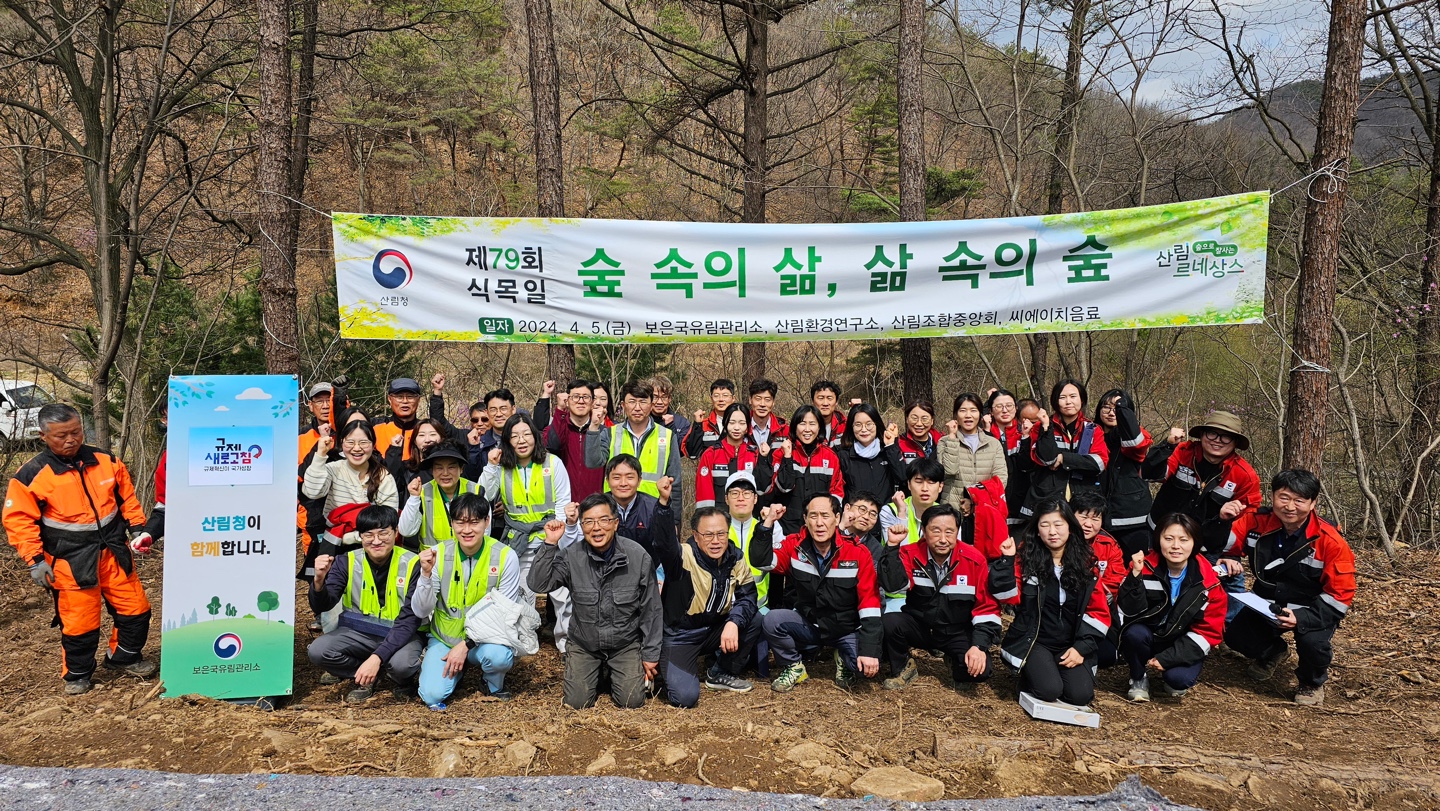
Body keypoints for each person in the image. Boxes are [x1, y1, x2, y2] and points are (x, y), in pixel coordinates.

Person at [3, 404, 157, 694]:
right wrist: (35, 560)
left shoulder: (106, 460)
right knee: (79, 622)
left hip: (113, 550)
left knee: (137, 610)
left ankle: (124, 658)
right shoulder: (31, 475)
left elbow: (127, 499)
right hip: (69, 559)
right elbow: (19, 521)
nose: (70, 439)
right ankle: (78, 674)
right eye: (61, 435)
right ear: (43, 436)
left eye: (75, 432)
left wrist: (138, 529)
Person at [1223, 469, 1355, 706]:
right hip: (1269, 600)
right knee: (1235, 635)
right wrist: (1226, 554)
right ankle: (1273, 652)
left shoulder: (1330, 540)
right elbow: (1224, 543)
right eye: (1283, 497)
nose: (1290, 506)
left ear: (1313, 503)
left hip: (1313, 605)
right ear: (1272, 496)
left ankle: (1311, 683)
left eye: (1299, 500)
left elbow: (1340, 595)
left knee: (1313, 644)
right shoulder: (1256, 521)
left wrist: (1302, 618)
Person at [528, 493, 664, 710]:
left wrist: (649, 655)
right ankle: (597, 671)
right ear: (582, 526)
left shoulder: (637, 556)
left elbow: (652, 609)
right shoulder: (572, 556)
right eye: (589, 522)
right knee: (577, 702)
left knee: (632, 701)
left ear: (616, 523)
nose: (596, 528)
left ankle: (614, 672)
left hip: (624, 645)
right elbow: (538, 584)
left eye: (603, 520)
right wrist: (550, 544)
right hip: (585, 645)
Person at [749, 494, 883, 692]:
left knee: (864, 668)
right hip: (809, 624)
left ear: (837, 519)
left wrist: (870, 651)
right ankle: (794, 666)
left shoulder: (857, 553)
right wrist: (767, 523)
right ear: (805, 519)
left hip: (845, 628)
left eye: (825, 516)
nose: (819, 523)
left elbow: (870, 604)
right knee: (772, 619)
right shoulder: (794, 546)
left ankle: (844, 659)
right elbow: (761, 561)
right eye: (813, 516)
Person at [651, 477, 763, 707]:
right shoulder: (682, 557)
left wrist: (733, 622)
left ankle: (721, 671)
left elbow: (749, 596)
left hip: (714, 628)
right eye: (708, 535)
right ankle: (667, 670)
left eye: (721, 534)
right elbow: (664, 543)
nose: (716, 541)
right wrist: (664, 504)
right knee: (685, 698)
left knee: (754, 618)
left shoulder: (735, 556)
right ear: (695, 535)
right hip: (680, 635)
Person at [990, 500, 1112, 708]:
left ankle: (1049, 670)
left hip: (1070, 644)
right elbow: (1006, 596)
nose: (1052, 532)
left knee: (1080, 696)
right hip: (1035, 641)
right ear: (1037, 531)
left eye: (1058, 524)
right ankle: (1031, 673)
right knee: (1049, 690)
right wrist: (1006, 561)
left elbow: (1098, 612)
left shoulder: (1086, 565)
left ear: (1071, 528)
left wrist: (1081, 649)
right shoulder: (1026, 561)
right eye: (1045, 525)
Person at [410, 494, 526, 707]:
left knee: (498, 657)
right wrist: (425, 576)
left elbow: (504, 612)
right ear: (451, 523)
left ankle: (491, 682)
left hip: (486, 641)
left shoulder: (505, 556)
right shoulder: (437, 554)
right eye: (460, 522)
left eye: (474, 522)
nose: (467, 530)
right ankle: (454, 670)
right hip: (445, 639)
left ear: (487, 522)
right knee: (432, 696)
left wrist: (466, 645)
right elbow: (420, 610)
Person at [1148, 410, 1261, 618]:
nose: (1217, 441)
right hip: (1162, 537)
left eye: (1225, 436)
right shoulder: (1182, 451)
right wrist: (1167, 446)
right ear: (1202, 435)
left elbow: (1248, 519)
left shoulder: (1244, 475)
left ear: (1235, 441)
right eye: (1212, 434)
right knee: (1158, 582)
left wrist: (1230, 554)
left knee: (1229, 578)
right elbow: (1151, 473)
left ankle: (1224, 628)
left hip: (1207, 545)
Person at [307, 505, 424, 702]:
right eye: (368, 535)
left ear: (396, 533)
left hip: (401, 633)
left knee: (403, 665)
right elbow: (323, 605)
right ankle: (368, 673)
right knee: (318, 651)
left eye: (383, 533)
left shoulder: (413, 563)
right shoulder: (347, 560)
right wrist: (318, 581)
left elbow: (410, 619)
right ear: (360, 536)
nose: (376, 541)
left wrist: (376, 657)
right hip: (359, 633)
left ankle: (389, 672)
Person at [479, 414, 576, 651]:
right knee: (522, 592)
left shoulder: (552, 463)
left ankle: (567, 644)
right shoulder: (502, 467)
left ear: (535, 436)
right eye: (514, 436)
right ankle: (526, 640)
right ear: (506, 440)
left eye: (526, 434)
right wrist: (491, 466)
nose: (521, 440)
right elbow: (484, 495)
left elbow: (564, 499)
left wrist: (558, 533)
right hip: (518, 538)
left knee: (562, 594)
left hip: (550, 537)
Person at [878, 504, 1001, 690]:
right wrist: (893, 546)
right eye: (935, 531)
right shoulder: (910, 553)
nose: (943, 539)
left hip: (957, 631)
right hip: (920, 627)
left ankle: (954, 660)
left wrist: (979, 646)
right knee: (890, 622)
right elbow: (893, 585)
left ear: (957, 532)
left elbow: (987, 608)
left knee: (978, 672)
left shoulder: (974, 560)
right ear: (923, 532)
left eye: (949, 532)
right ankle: (903, 667)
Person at [1119, 513, 1227, 702]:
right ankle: (1138, 677)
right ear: (1158, 540)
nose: (1175, 546)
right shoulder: (1143, 567)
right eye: (1168, 539)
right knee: (1134, 633)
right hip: (1149, 635)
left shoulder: (1209, 584)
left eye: (1183, 540)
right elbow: (1129, 611)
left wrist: (1169, 658)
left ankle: (1170, 671)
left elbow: (1208, 633)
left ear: (1194, 543)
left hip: (1182, 641)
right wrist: (1135, 576)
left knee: (1178, 681)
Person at [1093, 389, 1171, 557]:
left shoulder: (1136, 435)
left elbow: (1136, 444)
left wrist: (1124, 413)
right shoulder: (1091, 436)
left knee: (1136, 569)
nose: (1111, 412)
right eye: (1106, 407)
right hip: (1098, 518)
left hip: (1132, 519)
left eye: (1118, 407)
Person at [302, 420, 399, 555]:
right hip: (335, 548)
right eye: (350, 442)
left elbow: (389, 519)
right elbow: (312, 492)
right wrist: (320, 455)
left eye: (364, 442)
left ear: (373, 444)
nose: (357, 448)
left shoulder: (383, 477)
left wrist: (351, 537)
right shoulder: (333, 469)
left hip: (374, 547)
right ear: (342, 443)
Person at [585, 380, 684, 510]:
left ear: (651, 404)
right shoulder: (611, 433)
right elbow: (592, 462)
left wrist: (674, 521)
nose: (637, 408)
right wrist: (593, 427)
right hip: (616, 511)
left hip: (653, 511)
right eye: (632, 402)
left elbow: (675, 483)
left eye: (643, 402)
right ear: (623, 405)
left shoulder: (667, 436)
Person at [1021, 379, 1109, 521]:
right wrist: (1046, 427)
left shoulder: (1092, 429)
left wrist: (1063, 458)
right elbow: (1046, 459)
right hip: (1047, 501)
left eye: (1073, 396)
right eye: (1062, 397)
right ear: (1055, 401)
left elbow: (1099, 463)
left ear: (1082, 399)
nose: (1068, 402)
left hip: (1082, 503)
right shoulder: (1040, 427)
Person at [1069, 490, 1127, 667]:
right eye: (1083, 516)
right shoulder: (1056, 538)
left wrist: (1089, 594)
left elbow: (1115, 583)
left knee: (1107, 656)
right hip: (1062, 609)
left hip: (1095, 609)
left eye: (1095, 519)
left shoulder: (1108, 544)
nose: (1088, 524)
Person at [768, 405, 845, 536]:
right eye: (802, 424)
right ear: (794, 427)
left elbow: (836, 492)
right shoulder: (781, 453)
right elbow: (782, 487)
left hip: (820, 527)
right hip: (787, 528)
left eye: (812, 424)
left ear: (819, 427)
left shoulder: (830, 456)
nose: (807, 429)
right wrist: (787, 457)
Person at [398, 443, 480, 549]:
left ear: (461, 469)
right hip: (432, 561)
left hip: (467, 559)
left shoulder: (477, 491)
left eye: (451, 467)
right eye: (439, 468)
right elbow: (406, 530)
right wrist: (414, 498)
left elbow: (484, 532)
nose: (445, 473)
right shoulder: (422, 492)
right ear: (432, 470)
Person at [694, 403, 773, 509]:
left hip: (747, 520)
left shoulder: (754, 454)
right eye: (732, 423)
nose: (736, 428)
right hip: (719, 521)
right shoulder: (710, 454)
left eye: (742, 423)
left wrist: (763, 459)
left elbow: (763, 489)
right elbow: (704, 496)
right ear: (725, 424)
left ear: (747, 428)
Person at [544, 379, 606, 501]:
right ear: (568, 401)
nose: (581, 401)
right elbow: (552, 445)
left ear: (593, 402)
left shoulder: (604, 432)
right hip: (563, 504)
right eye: (576, 397)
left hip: (596, 505)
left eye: (586, 397)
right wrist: (560, 410)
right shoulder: (556, 428)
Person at [939, 393, 1008, 495]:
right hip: (952, 508)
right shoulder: (945, 442)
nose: (968, 415)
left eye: (973, 410)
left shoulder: (993, 444)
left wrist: (974, 499)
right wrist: (952, 437)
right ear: (955, 415)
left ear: (980, 414)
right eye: (962, 410)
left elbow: (1000, 479)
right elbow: (950, 471)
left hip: (984, 506)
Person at [836, 403, 902, 504]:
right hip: (857, 516)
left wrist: (891, 447)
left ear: (877, 424)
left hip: (886, 515)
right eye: (858, 425)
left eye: (869, 424)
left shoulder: (887, 450)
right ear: (851, 427)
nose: (864, 429)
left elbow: (902, 477)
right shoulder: (843, 455)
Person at [984, 388, 1032, 531]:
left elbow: (1026, 465)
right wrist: (987, 431)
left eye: (1009, 406)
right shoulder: (983, 432)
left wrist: (1025, 437)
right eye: (999, 406)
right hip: (992, 503)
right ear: (991, 411)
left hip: (1020, 505)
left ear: (1016, 408)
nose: (1005, 410)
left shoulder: (1024, 429)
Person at [878, 457, 947, 546]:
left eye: (931, 482)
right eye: (918, 482)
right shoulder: (889, 511)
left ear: (940, 486)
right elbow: (898, 552)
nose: (925, 488)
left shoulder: (948, 515)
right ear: (909, 485)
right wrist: (901, 514)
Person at [385, 417, 449, 513]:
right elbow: (390, 483)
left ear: (441, 438)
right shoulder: (408, 468)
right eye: (422, 435)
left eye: (433, 434)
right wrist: (395, 450)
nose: (427, 440)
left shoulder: (451, 467)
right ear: (415, 441)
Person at [371, 378, 426, 462]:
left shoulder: (425, 429)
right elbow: (349, 427)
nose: (405, 401)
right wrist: (343, 405)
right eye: (399, 397)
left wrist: (437, 395)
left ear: (418, 399)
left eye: (410, 397)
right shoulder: (376, 427)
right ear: (389, 399)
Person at [684, 378, 738, 458]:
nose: (721, 399)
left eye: (725, 395)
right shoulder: (704, 424)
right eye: (716, 396)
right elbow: (692, 453)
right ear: (711, 399)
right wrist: (697, 425)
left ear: (733, 398)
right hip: (710, 468)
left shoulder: (742, 423)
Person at [888, 399, 940, 466]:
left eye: (924, 419)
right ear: (907, 419)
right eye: (914, 418)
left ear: (932, 421)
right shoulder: (900, 444)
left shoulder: (941, 441)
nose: (919, 423)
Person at [647, 374, 691, 440]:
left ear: (669, 398)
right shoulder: (642, 421)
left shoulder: (682, 423)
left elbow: (683, 448)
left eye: (664, 397)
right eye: (655, 397)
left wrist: (670, 426)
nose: (659, 402)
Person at [746, 378, 787, 447]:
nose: (762, 404)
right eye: (758, 399)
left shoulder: (784, 430)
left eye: (767, 400)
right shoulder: (741, 427)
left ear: (773, 402)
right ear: (750, 400)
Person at [810, 380, 846, 447]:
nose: (825, 403)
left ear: (836, 402)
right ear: (813, 401)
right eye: (821, 398)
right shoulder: (804, 426)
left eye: (830, 398)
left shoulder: (845, 426)